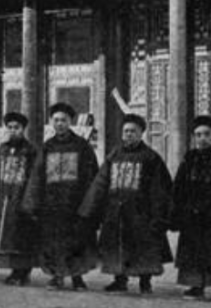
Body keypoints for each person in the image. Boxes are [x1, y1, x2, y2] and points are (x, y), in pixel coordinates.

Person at [79, 113, 173, 295]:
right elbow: (101, 182)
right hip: (115, 211)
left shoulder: (150, 157)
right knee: (117, 246)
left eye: (133, 131)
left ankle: (145, 283)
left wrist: (159, 214)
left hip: (141, 213)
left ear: (141, 133)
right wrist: (89, 208)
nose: (129, 135)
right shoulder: (114, 155)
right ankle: (120, 280)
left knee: (143, 248)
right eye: (126, 131)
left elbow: (159, 189)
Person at [22, 102, 98, 291]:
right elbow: (37, 176)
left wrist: (89, 204)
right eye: (56, 120)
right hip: (51, 205)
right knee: (53, 242)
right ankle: (57, 276)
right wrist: (32, 202)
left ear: (70, 122)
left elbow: (91, 176)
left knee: (77, 241)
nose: (60, 124)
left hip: (75, 204)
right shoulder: (47, 146)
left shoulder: (82, 146)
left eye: (63, 120)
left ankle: (77, 278)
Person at [171, 115, 211, 302]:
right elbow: (179, 186)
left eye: (207, 134)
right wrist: (178, 210)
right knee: (193, 252)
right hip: (192, 214)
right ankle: (196, 286)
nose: (202, 139)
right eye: (198, 135)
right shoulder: (189, 158)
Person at [0, 111, 39, 286]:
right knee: (7, 235)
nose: (13, 131)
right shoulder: (1, 149)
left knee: (21, 235)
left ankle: (23, 271)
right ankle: (14, 270)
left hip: (21, 197)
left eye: (16, 127)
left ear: (23, 129)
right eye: (9, 127)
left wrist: (29, 202)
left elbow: (34, 177)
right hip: (4, 197)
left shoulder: (30, 150)